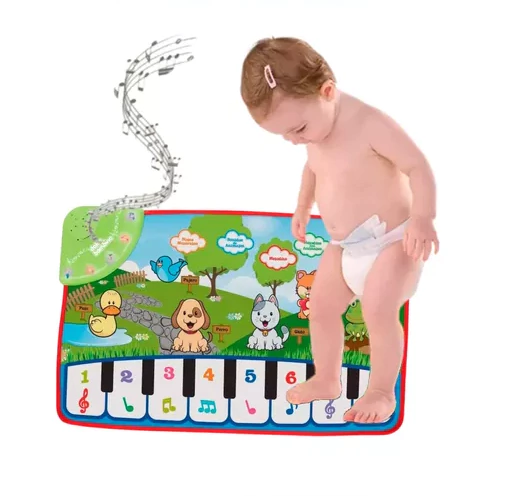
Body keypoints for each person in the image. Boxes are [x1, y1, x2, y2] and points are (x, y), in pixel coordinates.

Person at [240, 37, 439, 423]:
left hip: (394, 242)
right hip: (345, 246)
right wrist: (302, 206)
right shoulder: (315, 129)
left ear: (327, 91)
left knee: (377, 311)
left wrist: (423, 218)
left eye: (297, 129)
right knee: (320, 309)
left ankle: (381, 392)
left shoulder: (369, 124)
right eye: (285, 135)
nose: (294, 140)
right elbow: (313, 167)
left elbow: (418, 166)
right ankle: (327, 379)